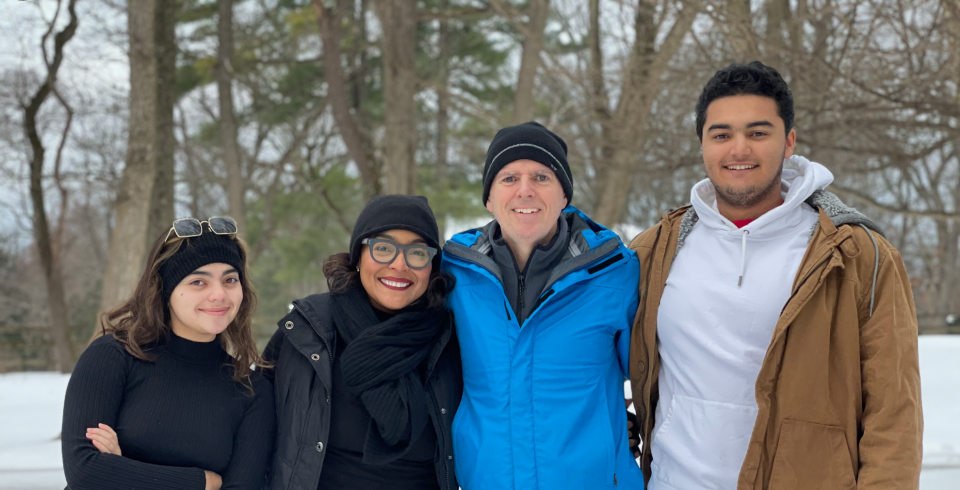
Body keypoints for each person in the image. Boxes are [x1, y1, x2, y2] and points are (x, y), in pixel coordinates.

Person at [628, 61, 922, 489]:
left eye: (758, 133)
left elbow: (894, 414)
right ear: (703, 145)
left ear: (789, 143)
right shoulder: (653, 251)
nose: (739, 149)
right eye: (722, 134)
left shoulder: (856, 255)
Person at [442, 122, 643, 489]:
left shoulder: (616, 273)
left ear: (564, 195)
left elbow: (657, 379)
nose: (525, 191)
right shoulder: (454, 275)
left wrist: (617, 430)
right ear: (489, 199)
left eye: (541, 176)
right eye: (508, 178)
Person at [262, 195, 461, 490]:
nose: (399, 264)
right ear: (358, 256)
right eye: (383, 248)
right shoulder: (307, 332)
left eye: (417, 253)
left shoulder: (451, 341)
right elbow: (254, 429)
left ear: (432, 266)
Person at [61, 217, 275, 490]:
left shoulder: (250, 389)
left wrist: (122, 471)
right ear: (165, 291)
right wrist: (204, 482)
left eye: (230, 280)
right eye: (198, 282)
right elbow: (85, 470)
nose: (219, 294)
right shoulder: (113, 357)